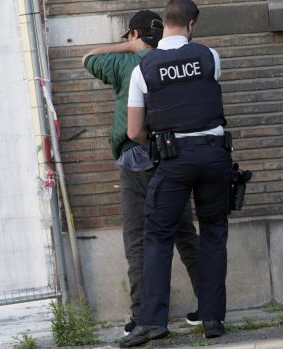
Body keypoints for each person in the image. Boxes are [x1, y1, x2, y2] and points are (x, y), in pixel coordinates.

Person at [81, 9, 201, 335]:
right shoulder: (173, 61)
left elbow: (88, 58)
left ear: (134, 35)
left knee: (137, 237)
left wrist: (128, 48)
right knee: (184, 233)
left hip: (136, 158)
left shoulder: (125, 63)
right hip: (172, 156)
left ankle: (142, 316)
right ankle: (209, 304)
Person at [120, 0, 231, 346]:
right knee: (212, 233)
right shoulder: (210, 57)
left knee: (157, 235)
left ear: (163, 25)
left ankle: (152, 322)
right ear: (192, 24)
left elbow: (134, 131)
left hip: (173, 159)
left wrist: (159, 140)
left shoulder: (144, 68)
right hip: (214, 155)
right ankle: (213, 320)